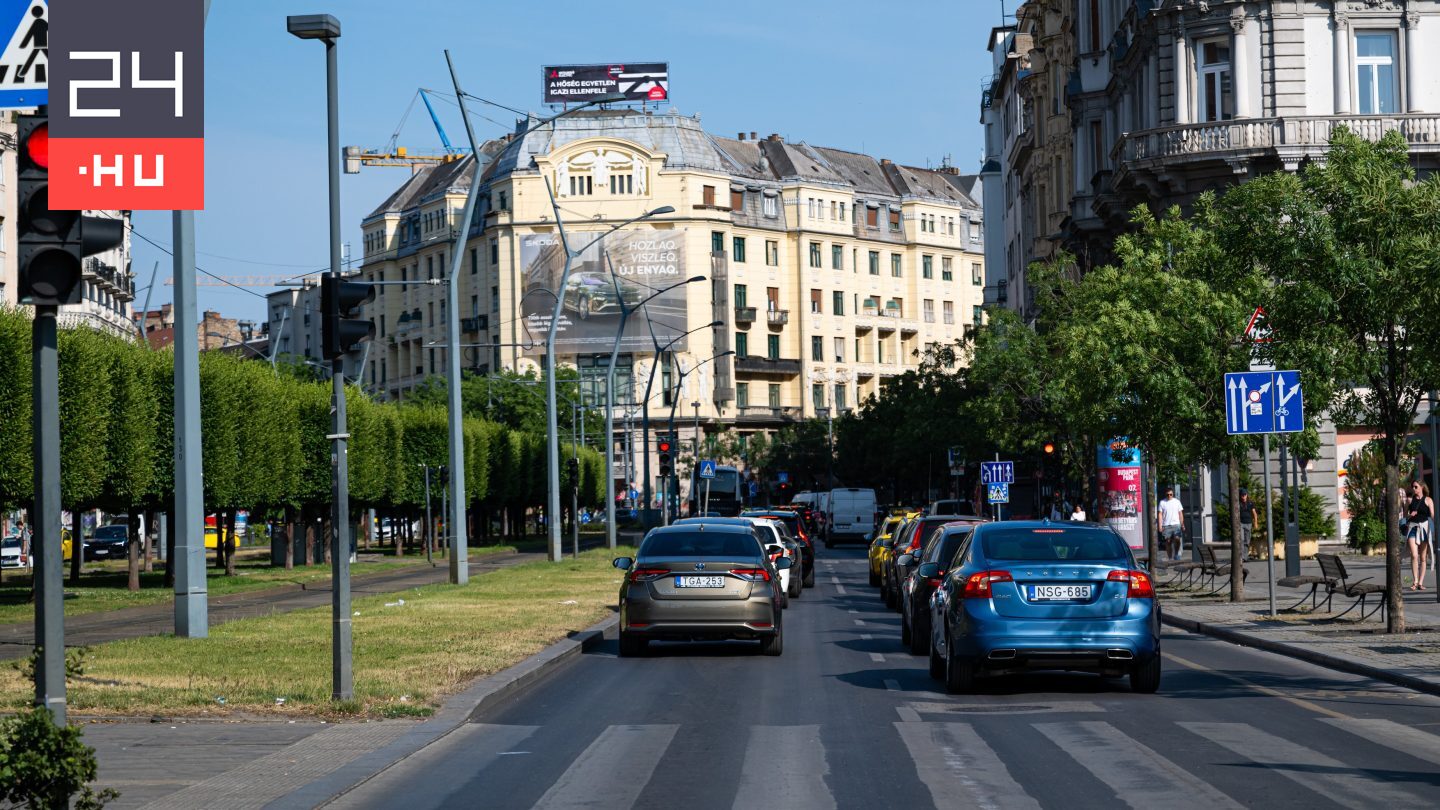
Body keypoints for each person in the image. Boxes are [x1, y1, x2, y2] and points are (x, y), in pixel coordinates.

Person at [1407, 481, 1432, 591]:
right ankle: (1415, 581)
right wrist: (1409, 515)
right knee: (1414, 555)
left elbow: (1432, 516)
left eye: (1416, 486)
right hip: (1412, 528)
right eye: (1412, 487)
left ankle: (1420, 583)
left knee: (1423, 557)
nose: (1414, 488)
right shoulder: (1409, 500)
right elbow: (1404, 516)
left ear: (1422, 487)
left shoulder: (1428, 500)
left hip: (1424, 529)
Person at [1157, 488, 1185, 561]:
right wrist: (1160, 525)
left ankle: (1176, 554)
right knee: (1168, 542)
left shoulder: (1177, 502)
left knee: (1177, 539)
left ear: (1173, 494)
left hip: (1176, 524)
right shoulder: (1162, 502)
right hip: (1166, 525)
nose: (1169, 496)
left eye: (1171, 494)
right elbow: (1160, 514)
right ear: (1166, 494)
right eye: (1168, 494)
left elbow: (1180, 513)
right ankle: (1170, 558)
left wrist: (1182, 524)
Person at [1237, 489, 1258, 561]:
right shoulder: (1238, 503)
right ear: (1240, 496)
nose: (1243, 497)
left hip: (1248, 523)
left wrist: (1255, 523)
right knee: (1241, 539)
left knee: (1247, 541)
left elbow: (1254, 513)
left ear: (1247, 495)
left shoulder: (1250, 503)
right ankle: (1241, 557)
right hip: (1241, 523)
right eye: (1242, 495)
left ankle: (1245, 557)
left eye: (1245, 495)